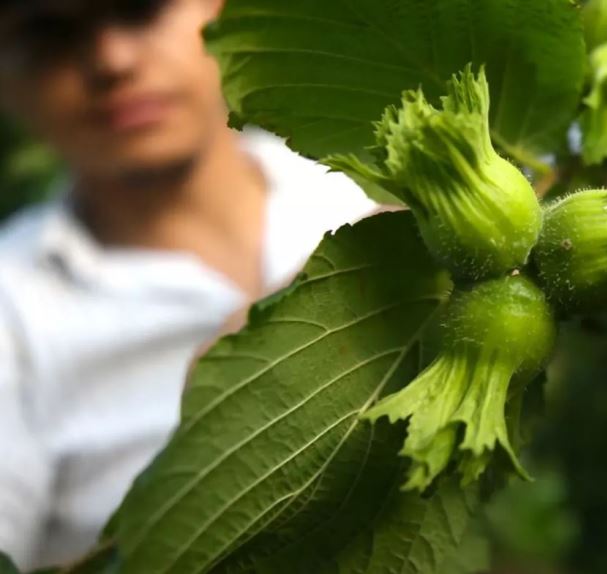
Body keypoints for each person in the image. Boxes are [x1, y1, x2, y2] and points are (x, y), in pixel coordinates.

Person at [0, 0, 377, 568]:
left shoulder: (361, 187)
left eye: (140, 11)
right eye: (48, 33)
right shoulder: (13, 313)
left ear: (219, 8)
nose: (112, 60)